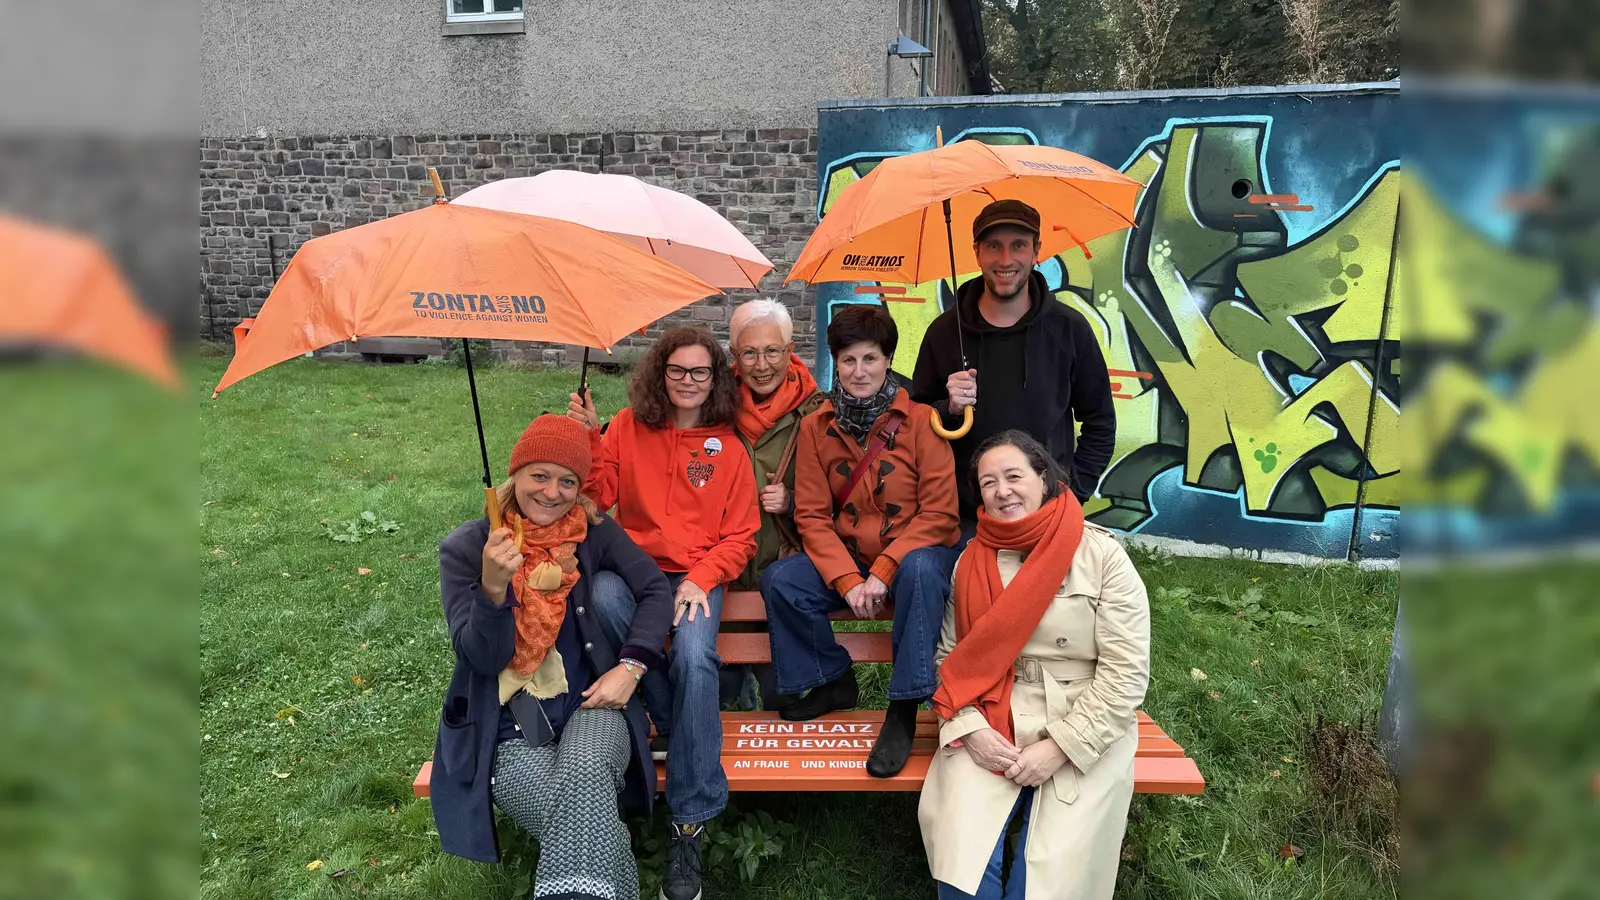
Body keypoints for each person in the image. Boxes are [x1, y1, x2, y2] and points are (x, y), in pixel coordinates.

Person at [431, 414, 674, 900]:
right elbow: (481, 659)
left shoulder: (593, 533)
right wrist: (493, 588)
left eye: (568, 481)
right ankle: (610, 861)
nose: (551, 492)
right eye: (538, 475)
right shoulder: (466, 549)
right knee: (582, 815)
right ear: (514, 476)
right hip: (507, 727)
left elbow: (653, 590)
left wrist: (631, 668)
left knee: (584, 776)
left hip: (592, 705)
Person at [568, 325, 758, 900]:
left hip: (701, 574)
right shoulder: (627, 428)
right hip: (640, 573)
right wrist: (589, 443)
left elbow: (743, 534)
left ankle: (689, 819)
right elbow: (598, 500)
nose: (688, 381)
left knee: (698, 655)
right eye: (677, 370)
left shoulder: (728, 446)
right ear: (660, 373)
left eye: (701, 371)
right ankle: (681, 724)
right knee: (601, 594)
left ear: (716, 378)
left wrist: (700, 579)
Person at [919, 430, 1150, 900]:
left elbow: (1125, 674)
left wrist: (1061, 747)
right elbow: (949, 658)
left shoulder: (1101, 555)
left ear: (1043, 478)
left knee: (1049, 879)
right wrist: (970, 729)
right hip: (988, 715)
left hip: (1082, 718)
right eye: (988, 483)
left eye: (1013, 476)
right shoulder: (971, 560)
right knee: (963, 870)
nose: (1002, 491)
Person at [760, 303, 960, 778]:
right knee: (782, 580)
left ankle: (904, 706)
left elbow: (940, 514)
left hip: (914, 556)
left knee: (921, 569)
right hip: (851, 558)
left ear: (888, 360)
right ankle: (831, 681)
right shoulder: (817, 426)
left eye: (870, 358)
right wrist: (849, 579)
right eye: (848, 360)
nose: (859, 371)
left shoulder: (923, 423)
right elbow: (810, 515)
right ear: (835, 363)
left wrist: (883, 571)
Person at [909, 199, 1117, 530]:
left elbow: (1101, 420)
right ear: (977, 252)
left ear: (1036, 251)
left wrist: (1073, 494)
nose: (1006, 260)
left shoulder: (1069, 329)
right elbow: (915, 420)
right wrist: (947, 407)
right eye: (994, 246)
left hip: (1047, 512)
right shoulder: (946, 333)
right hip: (966, 517)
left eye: (1018, 245)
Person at [727, 299, 827, 709]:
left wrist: (792, 501)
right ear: (735, 356)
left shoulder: (819, 413)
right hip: (725, 569)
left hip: (782, 567)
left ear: (790, 351)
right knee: (720, 693)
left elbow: (841, 496)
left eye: (772, 351)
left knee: (780, 696)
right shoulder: (709, 406)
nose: (762, 364)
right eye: (749, 352)